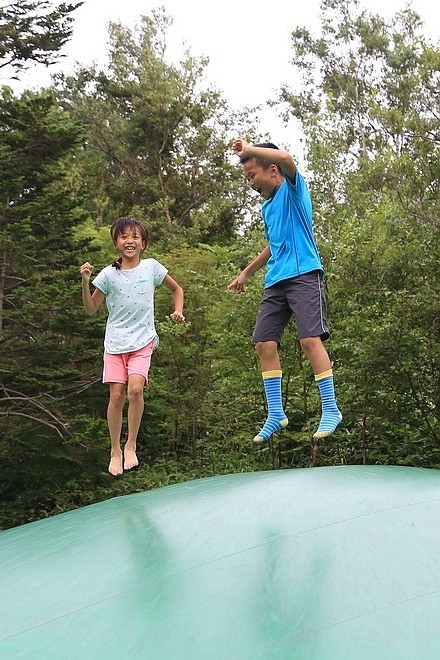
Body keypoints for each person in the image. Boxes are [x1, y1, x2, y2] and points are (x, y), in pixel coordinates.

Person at [227, 139, 341, 443]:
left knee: (309, 339)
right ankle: (276, 413)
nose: (250, 183)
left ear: (273, 170)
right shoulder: (268, 208)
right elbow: (272, 245)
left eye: (252, 176)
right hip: (276, 280)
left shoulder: (294, 190)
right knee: (264, 343)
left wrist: (249, 150)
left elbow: (288, 157)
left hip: (305, 274)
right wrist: (246, 272)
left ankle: (331, 408)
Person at [80, 216, 185, 476]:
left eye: (135, 237)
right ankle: (115, 450)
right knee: (116, 395)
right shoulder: (107, 274)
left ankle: (131, 445)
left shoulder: (151, 268)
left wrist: (178, 311)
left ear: (143, 244)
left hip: (142, 340)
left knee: (135, 391)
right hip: (115, 343)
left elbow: (177, 289)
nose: (130, 241)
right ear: (116, 243)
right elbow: (91, 309)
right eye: (124, 236)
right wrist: (85, 281)